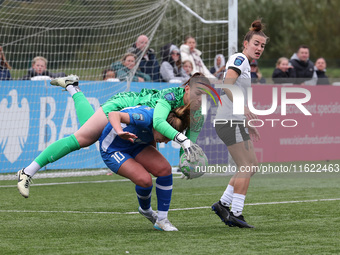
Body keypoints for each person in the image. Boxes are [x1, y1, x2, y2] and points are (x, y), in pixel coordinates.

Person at [17, 73, 208, 199]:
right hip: (125, 106)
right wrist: (182, 140)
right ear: (187, 88)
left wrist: (187, 163)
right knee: (84, 138)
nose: (201, 99)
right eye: (198, 93)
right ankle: (27, 172)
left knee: (90, 128)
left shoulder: (198, 113)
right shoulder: (170, 96)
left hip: (144, 127)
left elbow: (190, 145)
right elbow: (158, 123)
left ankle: (73, 88)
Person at [211, 19, 268, 228]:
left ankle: (223, 204)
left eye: (262, 46)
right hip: (227, 122)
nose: (259, 48)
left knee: (252, 165)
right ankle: (235, 213)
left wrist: (246, 121)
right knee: (246, 166)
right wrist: (243, 109)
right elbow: (226, 85)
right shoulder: (239, 58)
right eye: (256, 44)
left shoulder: (246, 63)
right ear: (246, 43)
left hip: (234, 121)